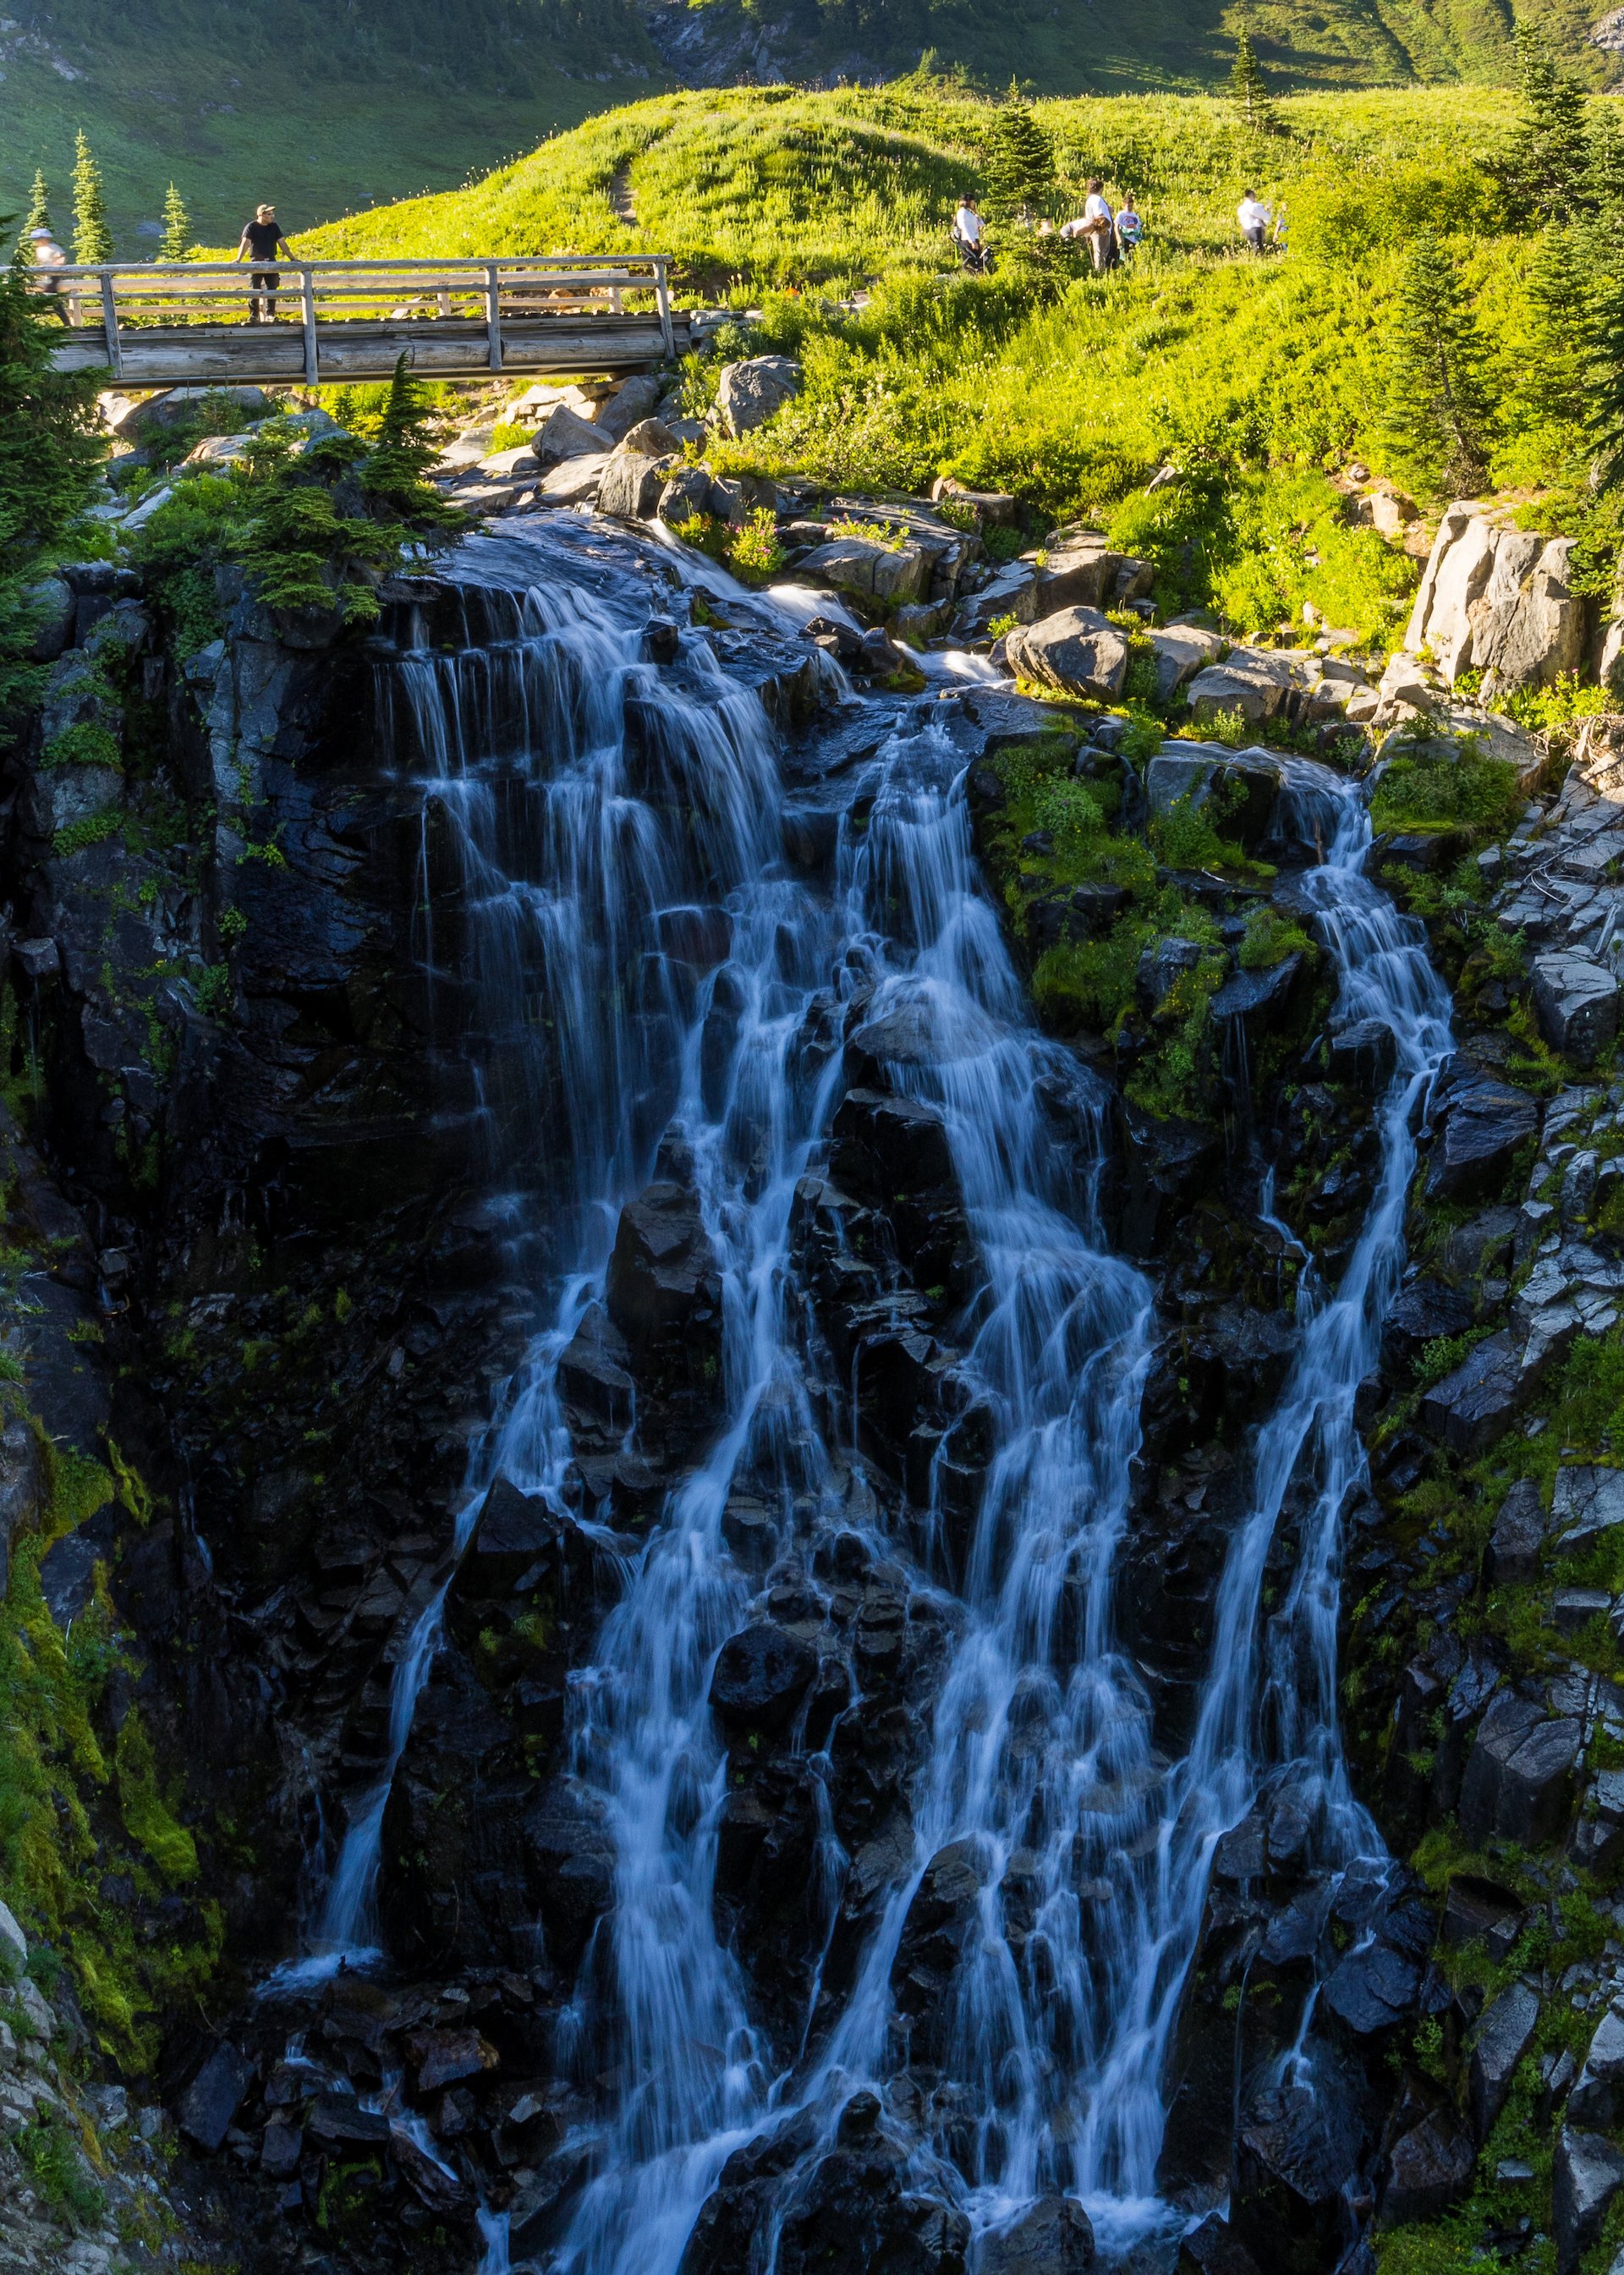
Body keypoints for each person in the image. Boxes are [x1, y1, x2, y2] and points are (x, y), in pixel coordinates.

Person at [237, 204, 296, 324]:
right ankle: (254, 316)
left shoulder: (274, 227)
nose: (272, 217)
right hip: (255, 263)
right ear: (261, 215)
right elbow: (245, 243)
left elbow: (282, 243)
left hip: (271, 262)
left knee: (272, 289)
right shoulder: (251, 227)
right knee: (254, 289)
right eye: (269, 214)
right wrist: (238, 259)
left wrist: (292, 258)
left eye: (272, 214)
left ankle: (270, 315)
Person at [27, 225, 75, 324]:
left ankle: (66, 323)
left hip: (54, 276)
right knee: (53, 301)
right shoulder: (39, 250)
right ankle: (66, 323)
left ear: (45, 239)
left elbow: (62, 258)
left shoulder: (54, 247)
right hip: (46, 276)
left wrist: (57, 265)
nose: (37, 241)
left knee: (51, 299)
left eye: (38, 239)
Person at [952, 194, 991, 274]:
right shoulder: (962, 213)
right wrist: (972, 241)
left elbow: (981, 224)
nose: (974, 204)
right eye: (973, 202)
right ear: (968, 202)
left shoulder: (969, 213)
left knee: (979, 263)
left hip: (974, 238)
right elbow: (965, 228)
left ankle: (979, 276)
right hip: (968, 240)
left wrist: (976, 213)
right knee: (972, 263)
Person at [1237, 189, 1273, 254]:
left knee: (1250, 248)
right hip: (1256, 230)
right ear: (1251, 195)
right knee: (1258, 250)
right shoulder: (1255, 206)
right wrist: (1268, 210)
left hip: (1246, 230)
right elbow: (1266, 217)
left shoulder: (1241, 208)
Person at [1115, 193, 1144, 261]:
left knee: (1133, 257)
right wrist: (1118, 238)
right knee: (1125, 257)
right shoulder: (1121, 214)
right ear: (1124, 205)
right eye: (1128, 206)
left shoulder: (1135, 215)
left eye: (1131, 206)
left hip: (1134, 239)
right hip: (1125, 238)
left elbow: (1138, 226)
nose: (1130, 208)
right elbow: (1116, 226)